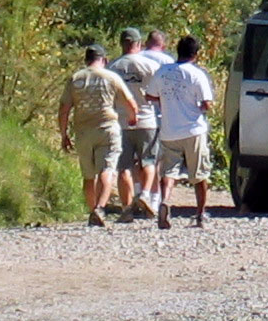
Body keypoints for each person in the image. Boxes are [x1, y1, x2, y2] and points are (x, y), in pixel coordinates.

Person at [57, 43, 138, 227]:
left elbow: (63, 109)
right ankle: (100, 208)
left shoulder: (76, 78)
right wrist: (133, 118)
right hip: (107, 129)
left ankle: (92, 210)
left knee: (88, 175)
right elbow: (130, 103)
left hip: (83, 132)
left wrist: (63, 134)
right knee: (106, 170)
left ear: (86, 60)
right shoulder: (111, 77)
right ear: (104, 60)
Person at [147, 34, 218, 229]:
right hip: (193, 129)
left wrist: (165, 101)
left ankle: (165, 201)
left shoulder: (163, 72)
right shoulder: (197, 74)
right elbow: (207, 104)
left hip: (169, 130)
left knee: (169, 171)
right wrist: (198, 107)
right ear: (195, 54)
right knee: (199, 173)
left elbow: (150, 95)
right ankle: (201, 214)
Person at [108, 27, 164, 220]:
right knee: (148, 161)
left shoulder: (113, 67)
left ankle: (126, 209)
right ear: (139, 44)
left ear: (121, 44)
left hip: (121, 122)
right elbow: (159, 92)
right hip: (147, 120)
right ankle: (145, 194)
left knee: (123, 167)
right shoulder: (151, 66)